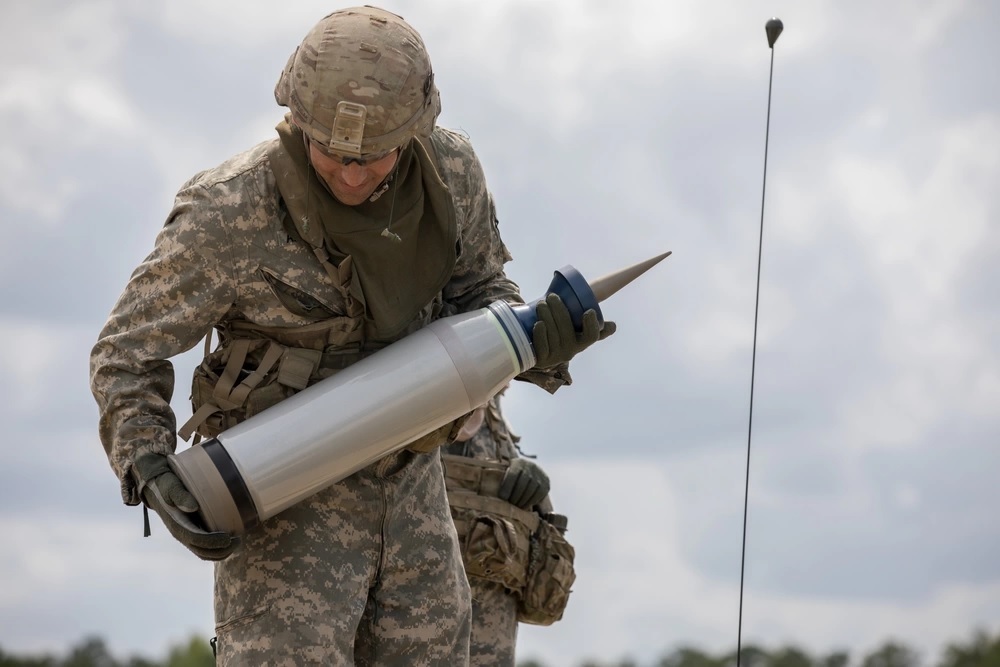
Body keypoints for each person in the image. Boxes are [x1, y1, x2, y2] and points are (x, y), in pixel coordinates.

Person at [89, 6, 613, 666]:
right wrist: (147, 462)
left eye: (375, 156)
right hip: (283, 501)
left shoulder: (450, 176)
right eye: (333, 154)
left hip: (419, 497)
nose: (353, 174)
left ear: (416, 129)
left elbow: (482, 293)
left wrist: (536, 339)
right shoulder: (229, 212)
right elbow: (125, 352)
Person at [442, 388, 576, 667]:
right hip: (416, 608)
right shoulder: (415, 391)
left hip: (490, 621)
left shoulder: (493, 415)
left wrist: (536, 495)